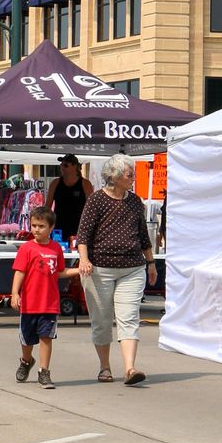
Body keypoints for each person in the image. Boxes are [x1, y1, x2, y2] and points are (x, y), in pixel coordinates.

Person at [76, 153, 156, 386]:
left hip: (132, 268)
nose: (133, 178)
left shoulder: (134, 201)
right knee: (101, 321)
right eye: (130, 174)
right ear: (115, 176)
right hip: (99, 270)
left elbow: (143, 236)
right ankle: (105, 367)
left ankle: (130, 369)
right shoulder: (96, 200)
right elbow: (84, 234)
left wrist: (151, 263)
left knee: (129, 318)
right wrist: (84, 259)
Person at [11, 206, 80, 389]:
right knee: (27, 339)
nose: (36, 229)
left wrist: (79, 270)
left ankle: (44, 372)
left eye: (41, 226)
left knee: (46, 337)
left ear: (51, 228)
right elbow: (19, 272)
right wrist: (15, 293)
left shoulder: (56, 248)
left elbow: (60, 271)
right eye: (34, 225)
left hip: (49, 303)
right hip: (29, 303)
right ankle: (26, 361)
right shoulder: (26, 248)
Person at [45, 153, 94, 241]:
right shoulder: (55, 183)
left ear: (75, 166)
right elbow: (47, 206)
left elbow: (91, 208)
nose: (62, 167)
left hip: (79, 227)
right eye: (61, 165)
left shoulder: (85, 184)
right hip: (59, 227)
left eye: (66, 165)